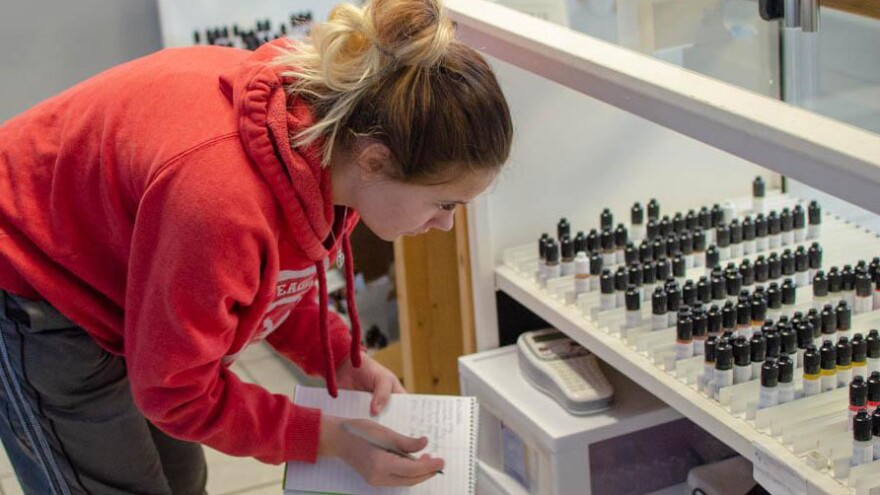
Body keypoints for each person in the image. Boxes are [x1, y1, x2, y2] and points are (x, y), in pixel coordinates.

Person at [0, 0, 512, 492]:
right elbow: (175, 394)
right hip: (31, 269)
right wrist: (326, 439)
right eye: (443, 203)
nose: (445, 225)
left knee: (181, 481)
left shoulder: (334, 145)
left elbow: (265, 277)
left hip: (116, 260)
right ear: (376, 161)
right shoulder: (221, 200)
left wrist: (341, 357)